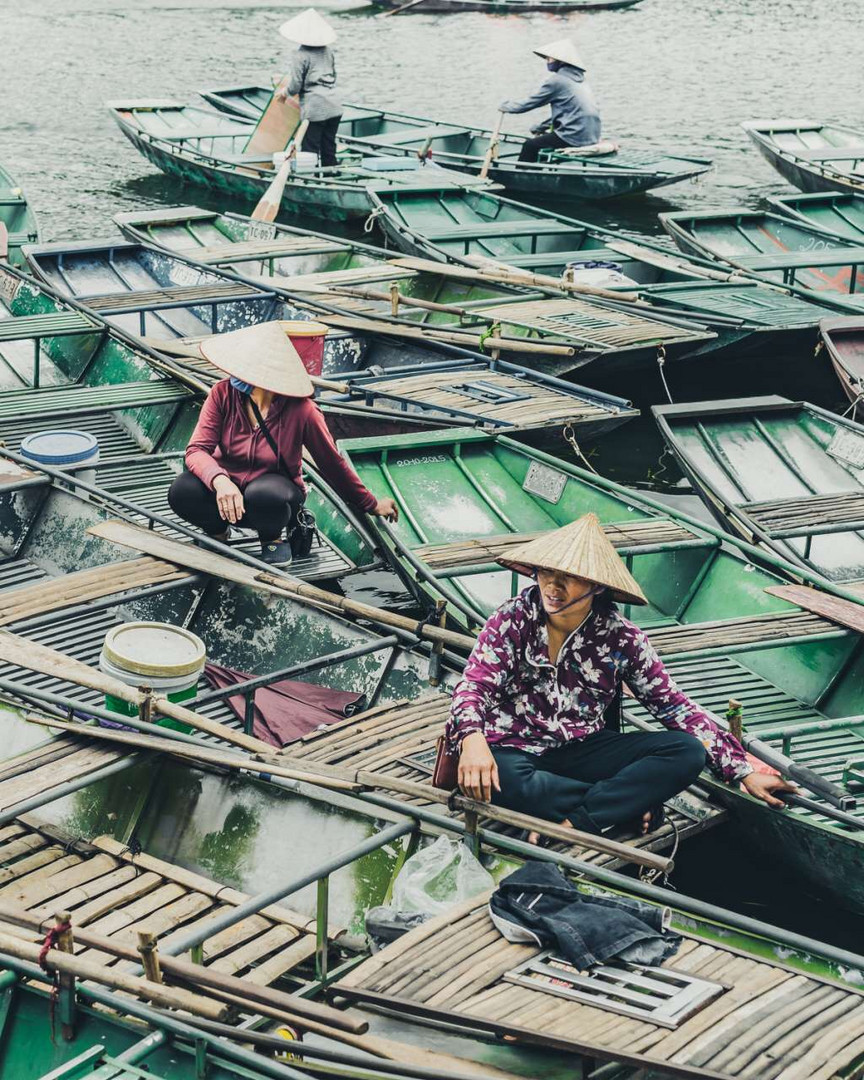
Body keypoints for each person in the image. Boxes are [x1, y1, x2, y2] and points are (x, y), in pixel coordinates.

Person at [446, 514, 795, 840]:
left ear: (596, 587)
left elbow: (675, 708)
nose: (553, 585)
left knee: (686, 752)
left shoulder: (622, 638)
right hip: (512, 746)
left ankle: (580, 816)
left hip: (582, 747)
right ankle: (623, 808)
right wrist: (473, 739)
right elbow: (473, 686)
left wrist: (741, 770)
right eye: (546, 572)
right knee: (497, 779)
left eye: (569, 576)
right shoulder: (512, 619)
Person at [168, 322, 397, 568]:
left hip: (273, 497)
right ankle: (217, 532)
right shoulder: (222, 393)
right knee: (182, 490)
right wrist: (220, 480)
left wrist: (371, 504)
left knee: (263, 494)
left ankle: (273, 539)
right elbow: (196, 450)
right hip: (227, 494)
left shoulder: (304, 411)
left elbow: (332, 465)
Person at [499, 39, 602, 164]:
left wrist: (506, 106)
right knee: (542, 145)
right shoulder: (581, 81)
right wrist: (542, 127)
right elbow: (570, 112)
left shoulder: (558, 81)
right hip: (591, 136)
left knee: (530, 145)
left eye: (549, 59)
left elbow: (530, 103)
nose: (547, 62)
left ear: (561, 61)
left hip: (574, 136)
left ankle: (524, 175)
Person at [276, 9, 342, 169]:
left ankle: (311, 179)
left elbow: (295, 85)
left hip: (315, 107)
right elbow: (333, 74)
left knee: (310, 148)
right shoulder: (328, 51)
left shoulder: (301, 55)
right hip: (334, 104)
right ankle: (331, 175)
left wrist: (283, 93)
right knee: (328, 145)